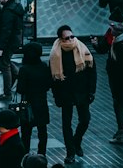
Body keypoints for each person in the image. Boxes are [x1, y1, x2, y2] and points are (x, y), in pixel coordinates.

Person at [49, 23, 96, 166]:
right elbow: (54, 78)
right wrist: (56, 96)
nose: (70, 40)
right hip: (65, 93)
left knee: (85, 119)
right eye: (67, 38)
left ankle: (77, 141)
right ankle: (70, 152)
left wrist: (91, 91)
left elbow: (91, 71)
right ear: (61, 40)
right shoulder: (56, 53)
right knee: (66, 123)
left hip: (82, 91)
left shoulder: (82, 48)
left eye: (72, 36)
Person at [15, 40, 51, 157]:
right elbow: (48, 85)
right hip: (41, 101)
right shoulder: (44, 66)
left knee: (26, 132)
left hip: (27, 102)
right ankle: (42, 153)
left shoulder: (24, 69)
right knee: (42, 131)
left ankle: (25, 154)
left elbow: (20, 89)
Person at [0, 0, 25, 100]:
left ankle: (7, 92)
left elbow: (6, 30)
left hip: (9, 42)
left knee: (4, 64)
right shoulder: (16, 6)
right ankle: (18, 74)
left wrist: (0, 47)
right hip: (15, 40)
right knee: (6, 61)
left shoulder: (8, 11)